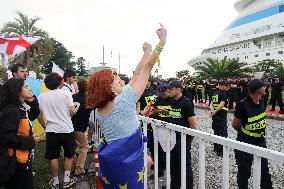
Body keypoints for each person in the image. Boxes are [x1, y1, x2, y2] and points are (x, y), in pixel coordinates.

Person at [85, 24, 167, 189]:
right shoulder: (125, 100)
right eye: (115, 78)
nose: (119, 79)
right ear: (110, 87)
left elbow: (136, 74)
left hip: (115, 161)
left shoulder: (102, 106)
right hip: (129, 159)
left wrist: (145, 54)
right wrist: (162, 41)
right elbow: (146, 70)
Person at [38, 73, 77, 189]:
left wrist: (45, 126)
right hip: (66, 129)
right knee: (69, 155)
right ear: (60, 82)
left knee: (53, 156)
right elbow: (73, 111)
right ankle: (66, 179)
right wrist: (70, 114)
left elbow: (39, 115)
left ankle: (55, 182)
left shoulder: (41, 97)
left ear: (46, 84)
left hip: (51, 130)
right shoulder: (66, 94)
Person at [0, 78, 40, 189]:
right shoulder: (12, 110)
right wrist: (30, 141)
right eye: (26, 87)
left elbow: (33, 115)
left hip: (23, 159)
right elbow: (5, 138)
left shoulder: (20, 107)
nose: (30, 88)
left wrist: (32, 99)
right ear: (17, 91)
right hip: (16, 162)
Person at [232, 79, 273, 189]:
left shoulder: (262, 101)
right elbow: (235, 124)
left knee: (264, 172)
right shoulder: (242, 105)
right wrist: (247, 133)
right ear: (259, 90)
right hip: (245, 143)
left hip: (260, 142)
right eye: (264, 86)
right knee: (244, 173)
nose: (266, 88)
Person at [168, 80, 196, 189]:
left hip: (182, 139)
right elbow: (173, 114)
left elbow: (192, 124)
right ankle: (175, 185)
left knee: (185, 166)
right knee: (173, 165)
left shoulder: (186, 103)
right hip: (172, 138)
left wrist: (189, 139)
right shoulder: (172, 101)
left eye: (171, 88)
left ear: (178, 89)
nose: (169, 90)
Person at [72, 80, 92, 180]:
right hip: (80, 128)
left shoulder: (73, 97)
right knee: (84, 148)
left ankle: (72, 167)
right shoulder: (88, 99)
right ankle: (79, 170)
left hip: (70, 127)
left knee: (74, 148)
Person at [150, 84, 172, 177]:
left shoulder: (173, 100)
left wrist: (166, 111)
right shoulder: (157, 99)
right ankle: (159, 169)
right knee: (157, 149)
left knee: (167, 149)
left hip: (170, 129)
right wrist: (156, 111)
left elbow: (177, 113)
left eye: (163, 93)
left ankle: (169, 168)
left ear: (168, 91)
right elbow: (152, 112)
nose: (161, 96)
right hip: (158, 128)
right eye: (160, 94)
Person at [209, 81, 229, 156]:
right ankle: (221, 152)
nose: (227, 87)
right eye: (226, 86)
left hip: (215, 117)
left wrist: (213, 111)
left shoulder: (214, 92)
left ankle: (216, 148)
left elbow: (211, 104)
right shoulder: (223, 94)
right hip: (221, 115)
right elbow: (221, 105)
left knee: (216, 132)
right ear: (222, 86)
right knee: (222, 133)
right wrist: (215, 112)